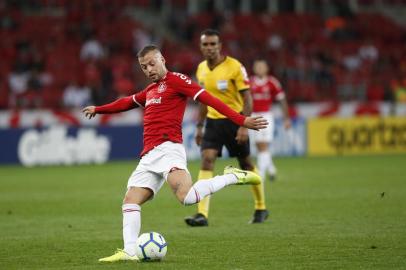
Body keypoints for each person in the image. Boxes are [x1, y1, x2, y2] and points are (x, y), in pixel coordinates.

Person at [82, 45, 268, 262]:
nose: (149, 69)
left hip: (169, 149)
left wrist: (241, 119)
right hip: (149, 156)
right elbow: (127, 102)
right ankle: (130, 251)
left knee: (187, 198)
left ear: (162, 59)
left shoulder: (177, 80)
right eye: (144, 67)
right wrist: (99, 109)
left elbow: (209, 99)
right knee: (130, 201)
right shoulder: (150, 90)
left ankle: (232, 176)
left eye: (152, 63)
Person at [184, 29, 269, 226]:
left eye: (213, 44)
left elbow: (247, 97)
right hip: (213, 123)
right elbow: (203, 102)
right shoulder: (201, 69)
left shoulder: (235, 66)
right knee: (207, 160)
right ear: (201, 47)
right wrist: (199, 126)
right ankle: (202, 214)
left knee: (246, 164)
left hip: (235, 120)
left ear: (220, 46)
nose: (210, 48)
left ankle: (261, 207)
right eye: (206, 44)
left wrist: (243, 125)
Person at [249, 59, 291, 180]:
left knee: (263, 144)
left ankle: (260, 174)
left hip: (266, 116)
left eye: (262, 67)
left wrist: (286, 119)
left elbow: (282, 100)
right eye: (257, 67)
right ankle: (271, 169)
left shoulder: (272, 82)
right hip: (253, 116)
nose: (260, 69)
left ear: (267, 69)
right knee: (258, 145)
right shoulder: (249, 82)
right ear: (254, 69)